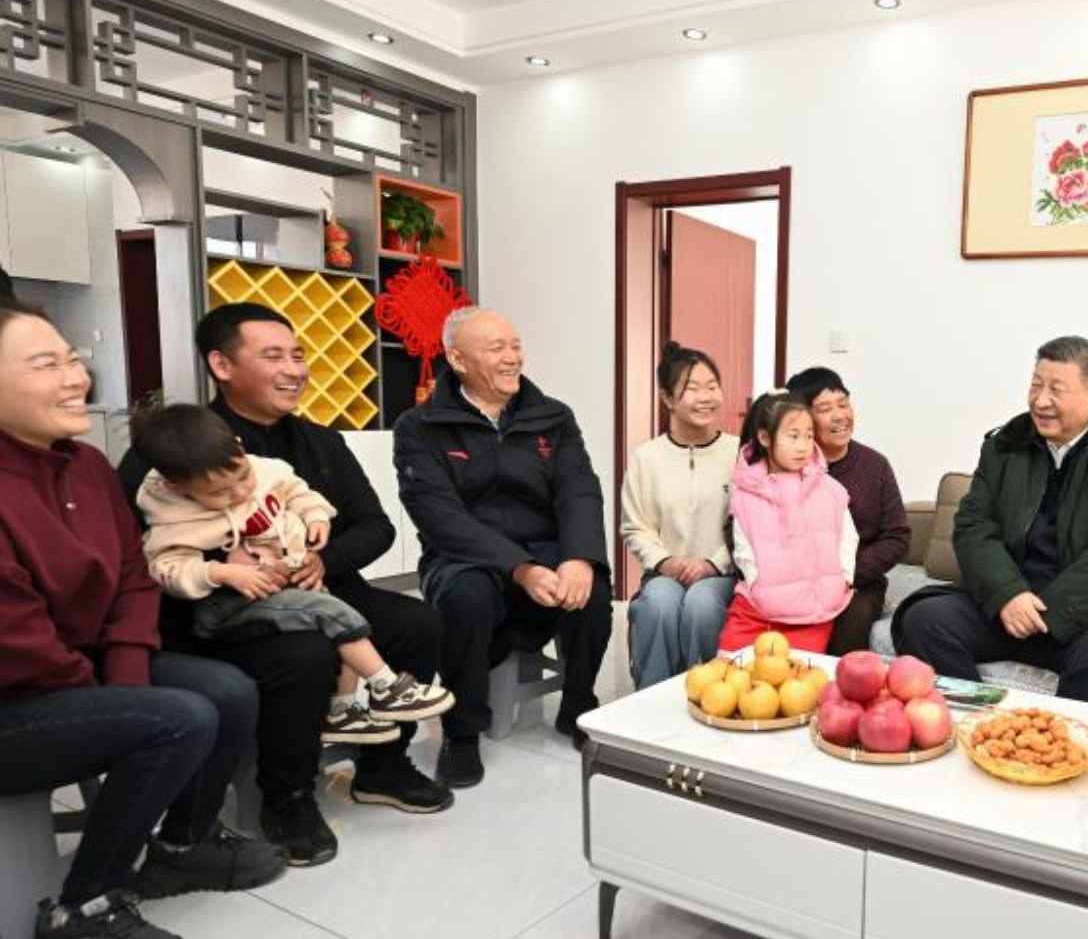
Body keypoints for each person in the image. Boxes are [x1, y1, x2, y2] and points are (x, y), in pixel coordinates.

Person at [0, 299, 283, 939]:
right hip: (15, 698)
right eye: (47, 364)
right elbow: (15, 637)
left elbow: (132, 576)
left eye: (71, 359)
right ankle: (76, 916)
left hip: (80, 672)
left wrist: (123, 677)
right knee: (176, 715)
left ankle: (179, 847)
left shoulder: (89, 466)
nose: (76, 378)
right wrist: (115, 698)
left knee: (228, 689)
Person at [122, 302, 456, 869]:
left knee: (420, 623)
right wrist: (230, 567)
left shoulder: (319, 442)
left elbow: (375, 526)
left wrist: (322, 560)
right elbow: (147, 554)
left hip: (322, 585)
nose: (294, 369)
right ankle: (289, 797)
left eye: (297, 355)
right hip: (227, 607)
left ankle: (382, 767)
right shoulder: (174, 453)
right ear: (221, 365)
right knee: (303, 653)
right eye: (273, 355)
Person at [894, 336, 1088, 708]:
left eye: (1056, 389)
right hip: (1008, 604)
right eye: (1036, 385)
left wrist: (1051, 610)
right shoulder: (1005, 447)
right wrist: (1007, 594)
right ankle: (977, 724)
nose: (1040, 400)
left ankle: (1059, 747)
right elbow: (974, 525)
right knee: (926, 620)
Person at [129, 403, 453, 743]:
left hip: (286, 584)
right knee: (333, 616)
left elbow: (297, 490)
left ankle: (341, 711)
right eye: (219, 493)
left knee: (343, 625)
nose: (240, 493)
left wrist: (315, 516)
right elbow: (165, 568)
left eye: (242, 478)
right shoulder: (174, 517)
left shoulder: (264, 469)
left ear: (239, 446)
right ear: (179, 487)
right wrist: (221, 573)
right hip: (228, 605)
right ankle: (387, 686)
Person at [395, 306, 612, 786]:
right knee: (465, 596)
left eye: (515, 346)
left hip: (546, 546)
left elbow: (578, 489)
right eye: (497, 348)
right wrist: (520, 568)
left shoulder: (552, 417)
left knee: (591, 589)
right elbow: (438, 515)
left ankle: (578, 705)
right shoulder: (421, 426)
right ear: (457, 358)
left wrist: (578, 557)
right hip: (464, 556)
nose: (513, 357)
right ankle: (462, 733)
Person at [622, 342, 737, 685]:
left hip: (724, 573)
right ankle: (653, 702)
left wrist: (713, 563)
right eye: (692, 389)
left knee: (703, 604)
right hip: (664, 572)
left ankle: (709, 694)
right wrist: (666, 562)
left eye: (712, 387)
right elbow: (635, 527)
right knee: (658, 603)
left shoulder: (740, 452)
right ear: (668, 399)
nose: (706, 397)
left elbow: (751, 523)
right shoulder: (647, 457)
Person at [716, 391, 857, 653]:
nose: (803, 446)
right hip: (756, 608)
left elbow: (848, 537)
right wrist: (757, 583)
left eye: (809, 436)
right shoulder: (746, 493)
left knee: (796, 681)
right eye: (793, 436)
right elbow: (743, 543)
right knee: (730, 668)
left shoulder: (831, 490)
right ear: (765, 437)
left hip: (813, 611)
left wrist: (844, 578)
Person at [785, 366, 910, 655]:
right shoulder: (788, 466)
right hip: (797, 579)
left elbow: (898, 537)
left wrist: (846, 574)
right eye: (825, 408)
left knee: (853, 617)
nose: (840, 415)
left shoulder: (875, 466)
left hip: (857, 583)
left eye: (843, 403)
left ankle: (836, 696)